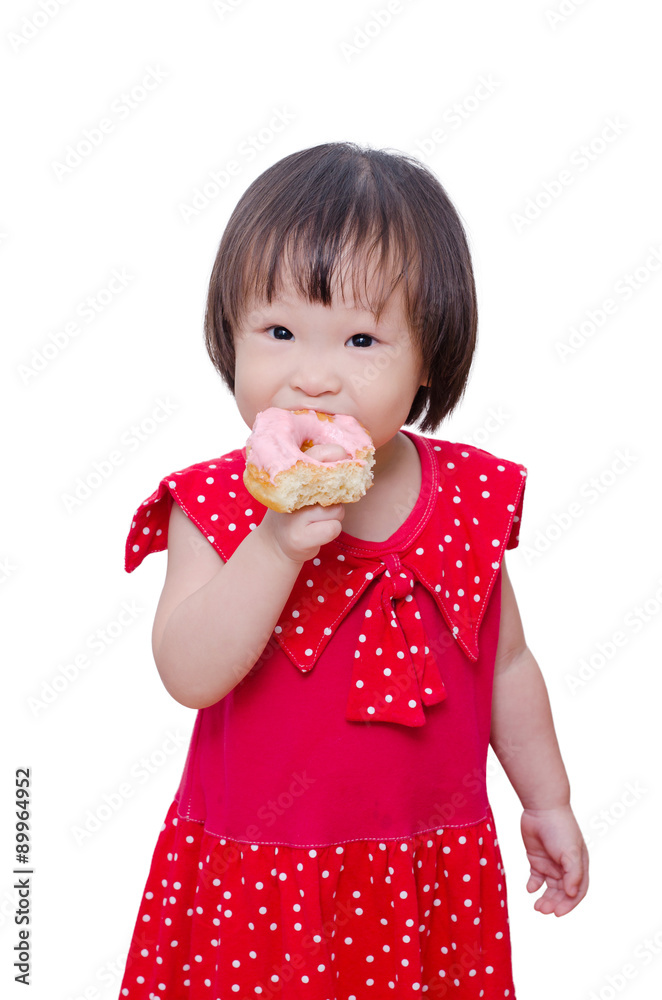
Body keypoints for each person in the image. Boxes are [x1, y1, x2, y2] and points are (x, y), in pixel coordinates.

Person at [117, 141, 588, 1000]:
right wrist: (273, 545)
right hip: (259, 888)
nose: (314, 375)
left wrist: (547, 799)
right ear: (232, 337)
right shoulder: (217, 502)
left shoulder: (469, 497)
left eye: (363, 338)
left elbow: (506, 662)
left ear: (429, 362)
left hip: (422, 884)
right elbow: (188, 672)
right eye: (280, 331)